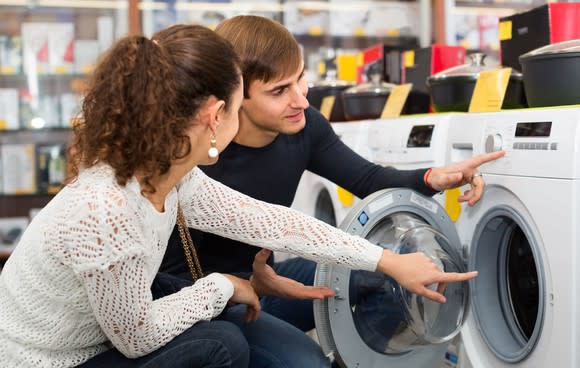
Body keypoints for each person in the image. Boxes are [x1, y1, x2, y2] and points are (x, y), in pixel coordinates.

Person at [0, 24, 478, 368]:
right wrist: (223, 286)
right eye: (276, 90)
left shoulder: (171, 170)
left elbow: (273, 223)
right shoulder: (106, 207)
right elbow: (137, 337)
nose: (301, 99)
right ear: (217, 115)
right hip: (55, 358)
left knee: (227, 332)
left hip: (115, 320)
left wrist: (387, 261)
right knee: (223, 345)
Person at [158, 15, 505, 368]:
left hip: (270, 282)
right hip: (207, 306)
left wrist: (435, 177)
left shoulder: (304, 129)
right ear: (235, 96)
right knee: (306, 362)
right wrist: (236, 289)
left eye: (301, 78)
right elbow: (164, 287)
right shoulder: (196, 154)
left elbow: (367, 180)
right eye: (279, 91)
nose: (302, 100)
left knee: (387, 279)